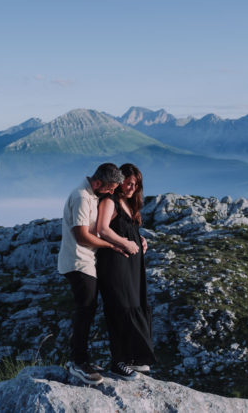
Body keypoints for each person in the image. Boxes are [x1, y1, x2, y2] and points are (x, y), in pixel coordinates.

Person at [57, 163, 131, 385]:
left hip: (87, 261)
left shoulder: (92, 194)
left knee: (88, 309)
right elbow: (81, 236)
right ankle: (78, 361)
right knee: (86, 308)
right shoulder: (81, 197)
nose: (111, 193)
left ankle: (79, 359)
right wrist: (112, 246)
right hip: (78, 261)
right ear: (98, 182)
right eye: (110, 188)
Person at [94, 162, 154, 380]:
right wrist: (126, 243)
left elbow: (127, 229)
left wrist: (140, 239)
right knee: (120, 308)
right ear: (119, 182)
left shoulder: (129, 204)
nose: (131, 188)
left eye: (135, 184)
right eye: (128, 183)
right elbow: (102, 229)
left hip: (131, 266)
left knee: (134, 305)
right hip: (114, 264)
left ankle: (131, 359)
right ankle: (118, 362)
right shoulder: (110, 202)